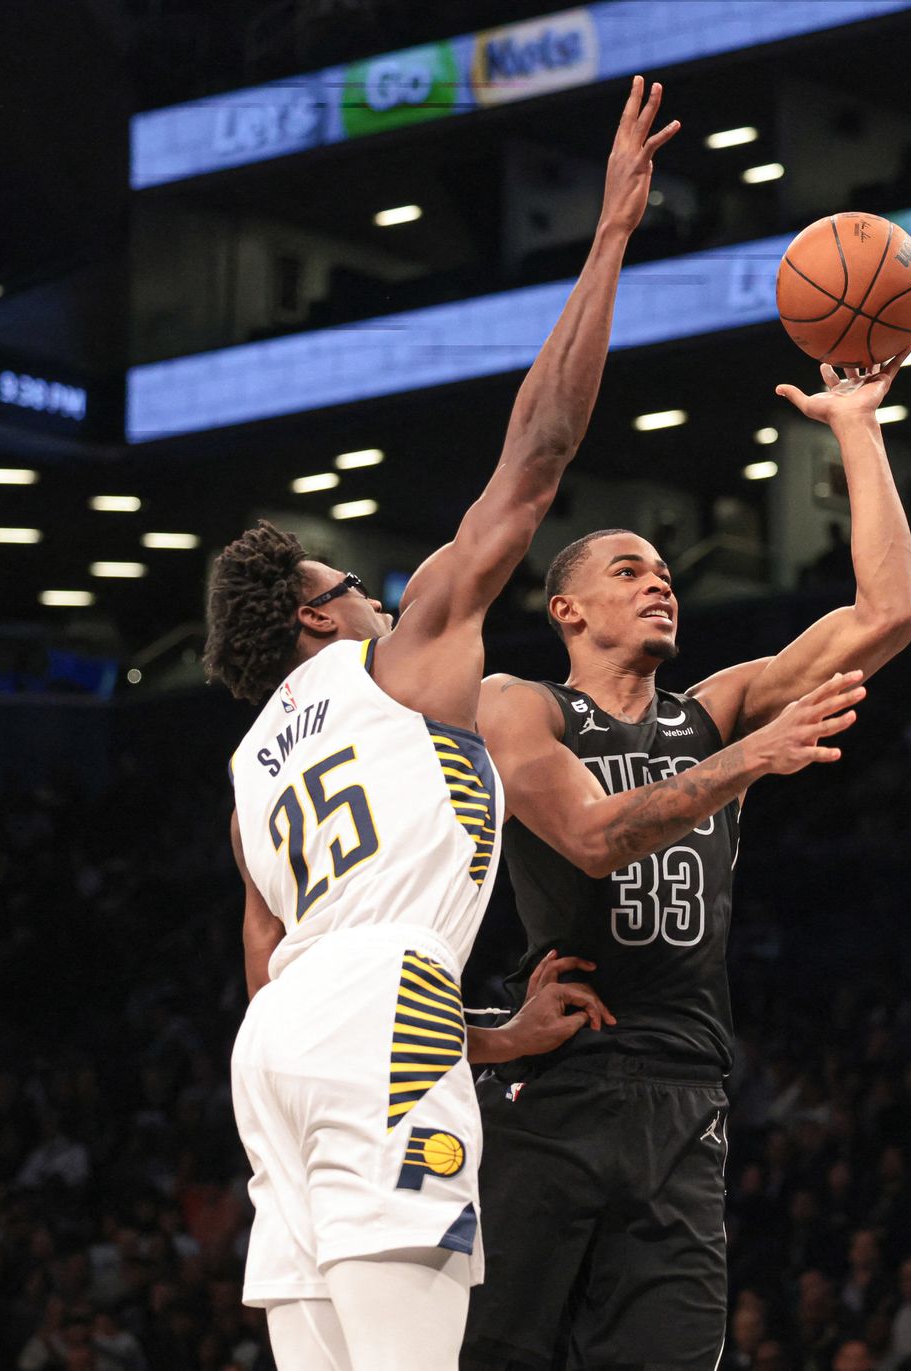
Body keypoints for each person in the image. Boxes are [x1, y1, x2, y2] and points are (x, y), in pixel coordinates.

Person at [202, 77, 678, 1371]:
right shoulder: (399, 662)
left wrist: (499, 1035)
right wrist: (610, 239)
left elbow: (273, 971)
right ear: (315, 622)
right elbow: (538, 454)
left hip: (277, 1049)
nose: (375, 590)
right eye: (350, 585)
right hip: (384, 1016)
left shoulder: (250, 773)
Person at [459, 345, 911, 1369]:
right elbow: (590, 837)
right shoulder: (521, 706)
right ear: (568, 610)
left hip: (687, 1088)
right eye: (629, 573)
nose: (658, 585)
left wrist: (856, 429)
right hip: (562, 1081)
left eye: (666, 575)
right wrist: (750, 761)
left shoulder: (711, 709)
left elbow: (887, 615)